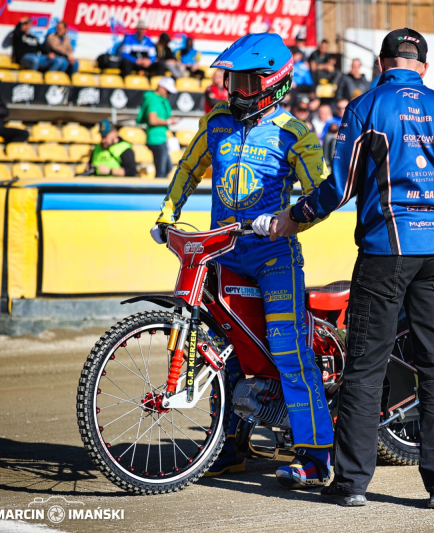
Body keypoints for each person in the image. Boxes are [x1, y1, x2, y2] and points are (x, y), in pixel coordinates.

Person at [271, 27, 434, 509]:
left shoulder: (366, 106)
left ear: (381, 63)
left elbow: (341, 185)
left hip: (383, 252)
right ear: (424, 68)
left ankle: (351, 485)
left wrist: (297, 216)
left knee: (365, 368)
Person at [151, 33, 334, 489]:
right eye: (231, 79)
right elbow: (189, 167)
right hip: (222, 256)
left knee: (289, 351)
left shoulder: (296, 133)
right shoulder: (215, 121)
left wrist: (287, 221)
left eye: (247, 82)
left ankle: (316, 457)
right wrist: (167, 213)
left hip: (274, 259)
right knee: (222, 355)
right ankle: (229, 445)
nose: (235, 90)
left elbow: (321, 194)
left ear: (273, 82)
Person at [138, 77, 177, 178]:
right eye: (167, 91)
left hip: (160, 138)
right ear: (160, 87)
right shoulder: (154, 100)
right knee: (161, 170)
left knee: (167, 168)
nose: (168, 94)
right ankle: (157, 193)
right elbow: (152, 120)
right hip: (155, 139)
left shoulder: (159, 100)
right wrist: (169, 121)